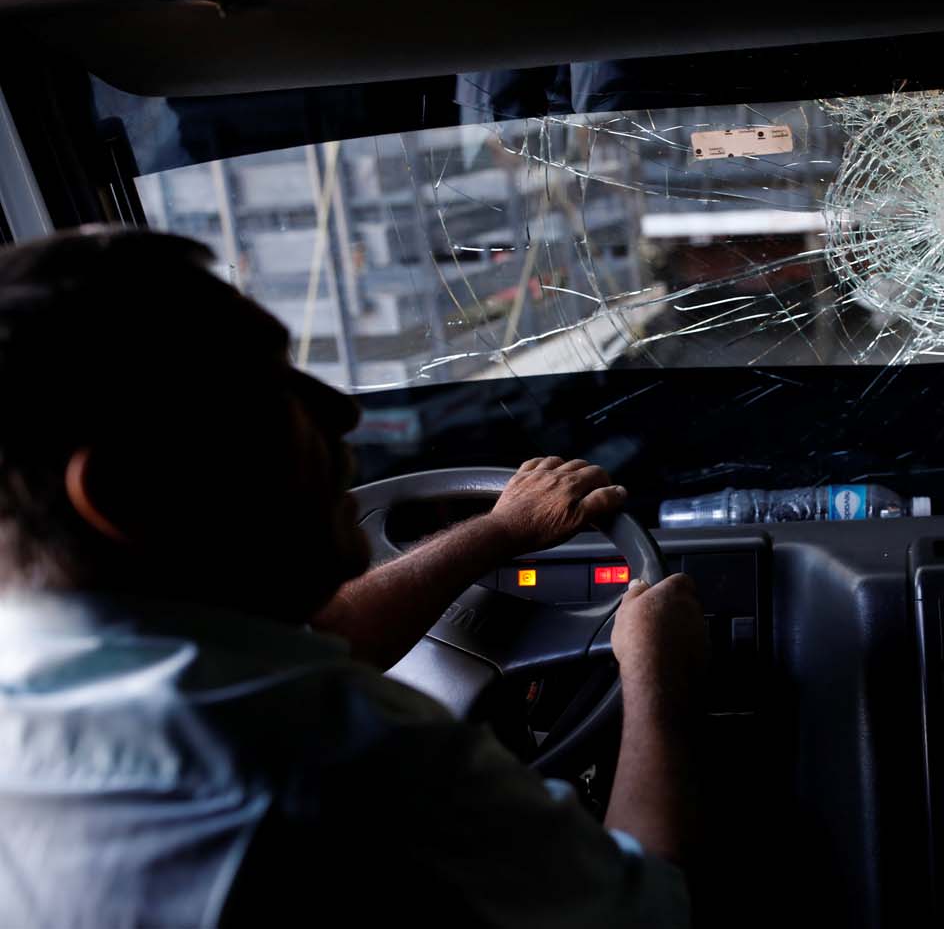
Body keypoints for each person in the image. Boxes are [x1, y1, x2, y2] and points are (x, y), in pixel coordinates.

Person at [0, 228, 707, 927]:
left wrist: (502, 530)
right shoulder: (334, 764)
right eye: (267, 387)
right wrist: (656, 676)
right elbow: (651, 910)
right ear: (128, 492)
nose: (342, 410)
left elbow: (311, 636)